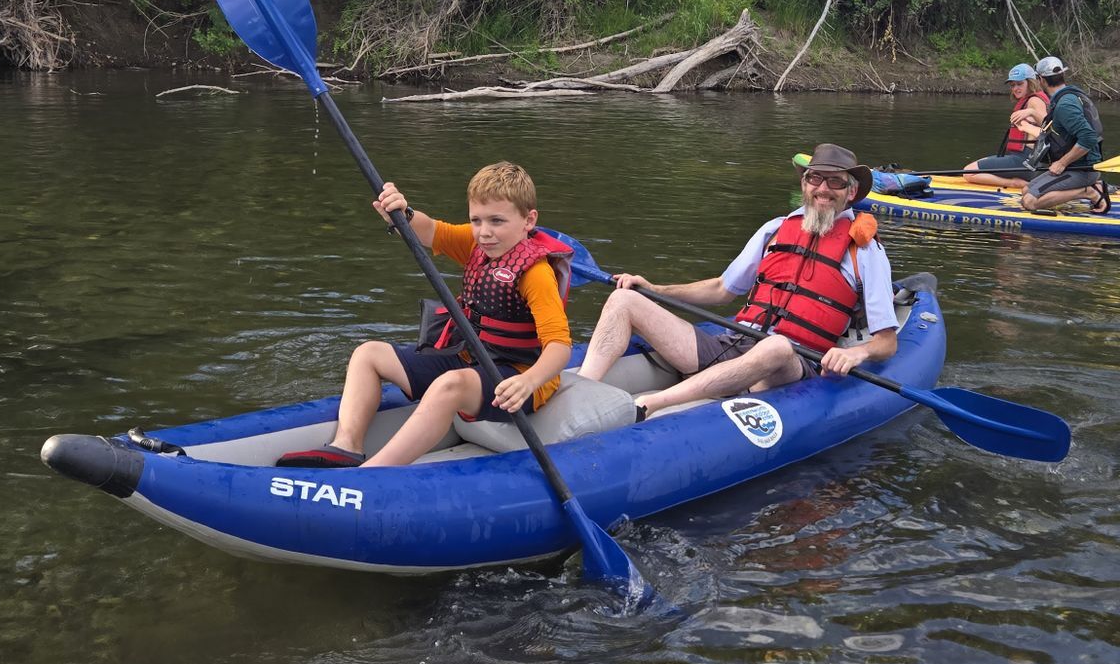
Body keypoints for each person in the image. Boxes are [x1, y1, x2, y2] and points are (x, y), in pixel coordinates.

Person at [277, 162, 573, 468]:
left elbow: (560, 346)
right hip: (470, 357)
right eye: (476, 220)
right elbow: (431, 231)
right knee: (368, 354)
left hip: (518, 378)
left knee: (449, 384)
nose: (485, 232)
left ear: (529, 220)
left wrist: (528, 382)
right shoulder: (476, 245)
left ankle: (374, 472)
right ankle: (347, 445)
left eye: (497, 221)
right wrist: (402, 213)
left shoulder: (536, 274)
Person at [576, 144, 899, 418]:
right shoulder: (774, 229)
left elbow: (886, 342)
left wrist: (855, 355)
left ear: (851, 191)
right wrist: (654, 290)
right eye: (816, 178)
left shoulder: (865, 251)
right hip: (733, 345)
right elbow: (721, 289)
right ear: (804, 183)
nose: (823, 189)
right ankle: (581, 391)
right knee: (624, 300)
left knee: (777, 345)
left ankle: (647, 405)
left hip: (790, 364)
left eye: (835, 182)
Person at [1020, 56, 1108, 214]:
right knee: (1026, 190)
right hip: (1072, 167)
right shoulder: (1068, 96)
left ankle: (1089, 191)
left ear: (1041, 80)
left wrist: (1061, 163)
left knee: (1030, 202)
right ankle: (1085, 188)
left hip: (1082, 170)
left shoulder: (1065, 104)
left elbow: (1088, 137)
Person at [962, 63, 1049, 188]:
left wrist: (1032, 112)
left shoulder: (1034, 101)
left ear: (1030, 83)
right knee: (977, 164)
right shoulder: (1027, 100)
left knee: (968, 173)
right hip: (1018, 159)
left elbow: (1048, 128)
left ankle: (1014, 183)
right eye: (1013, 85)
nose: (1015, 88)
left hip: (1024, 162)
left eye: (1020, 84)